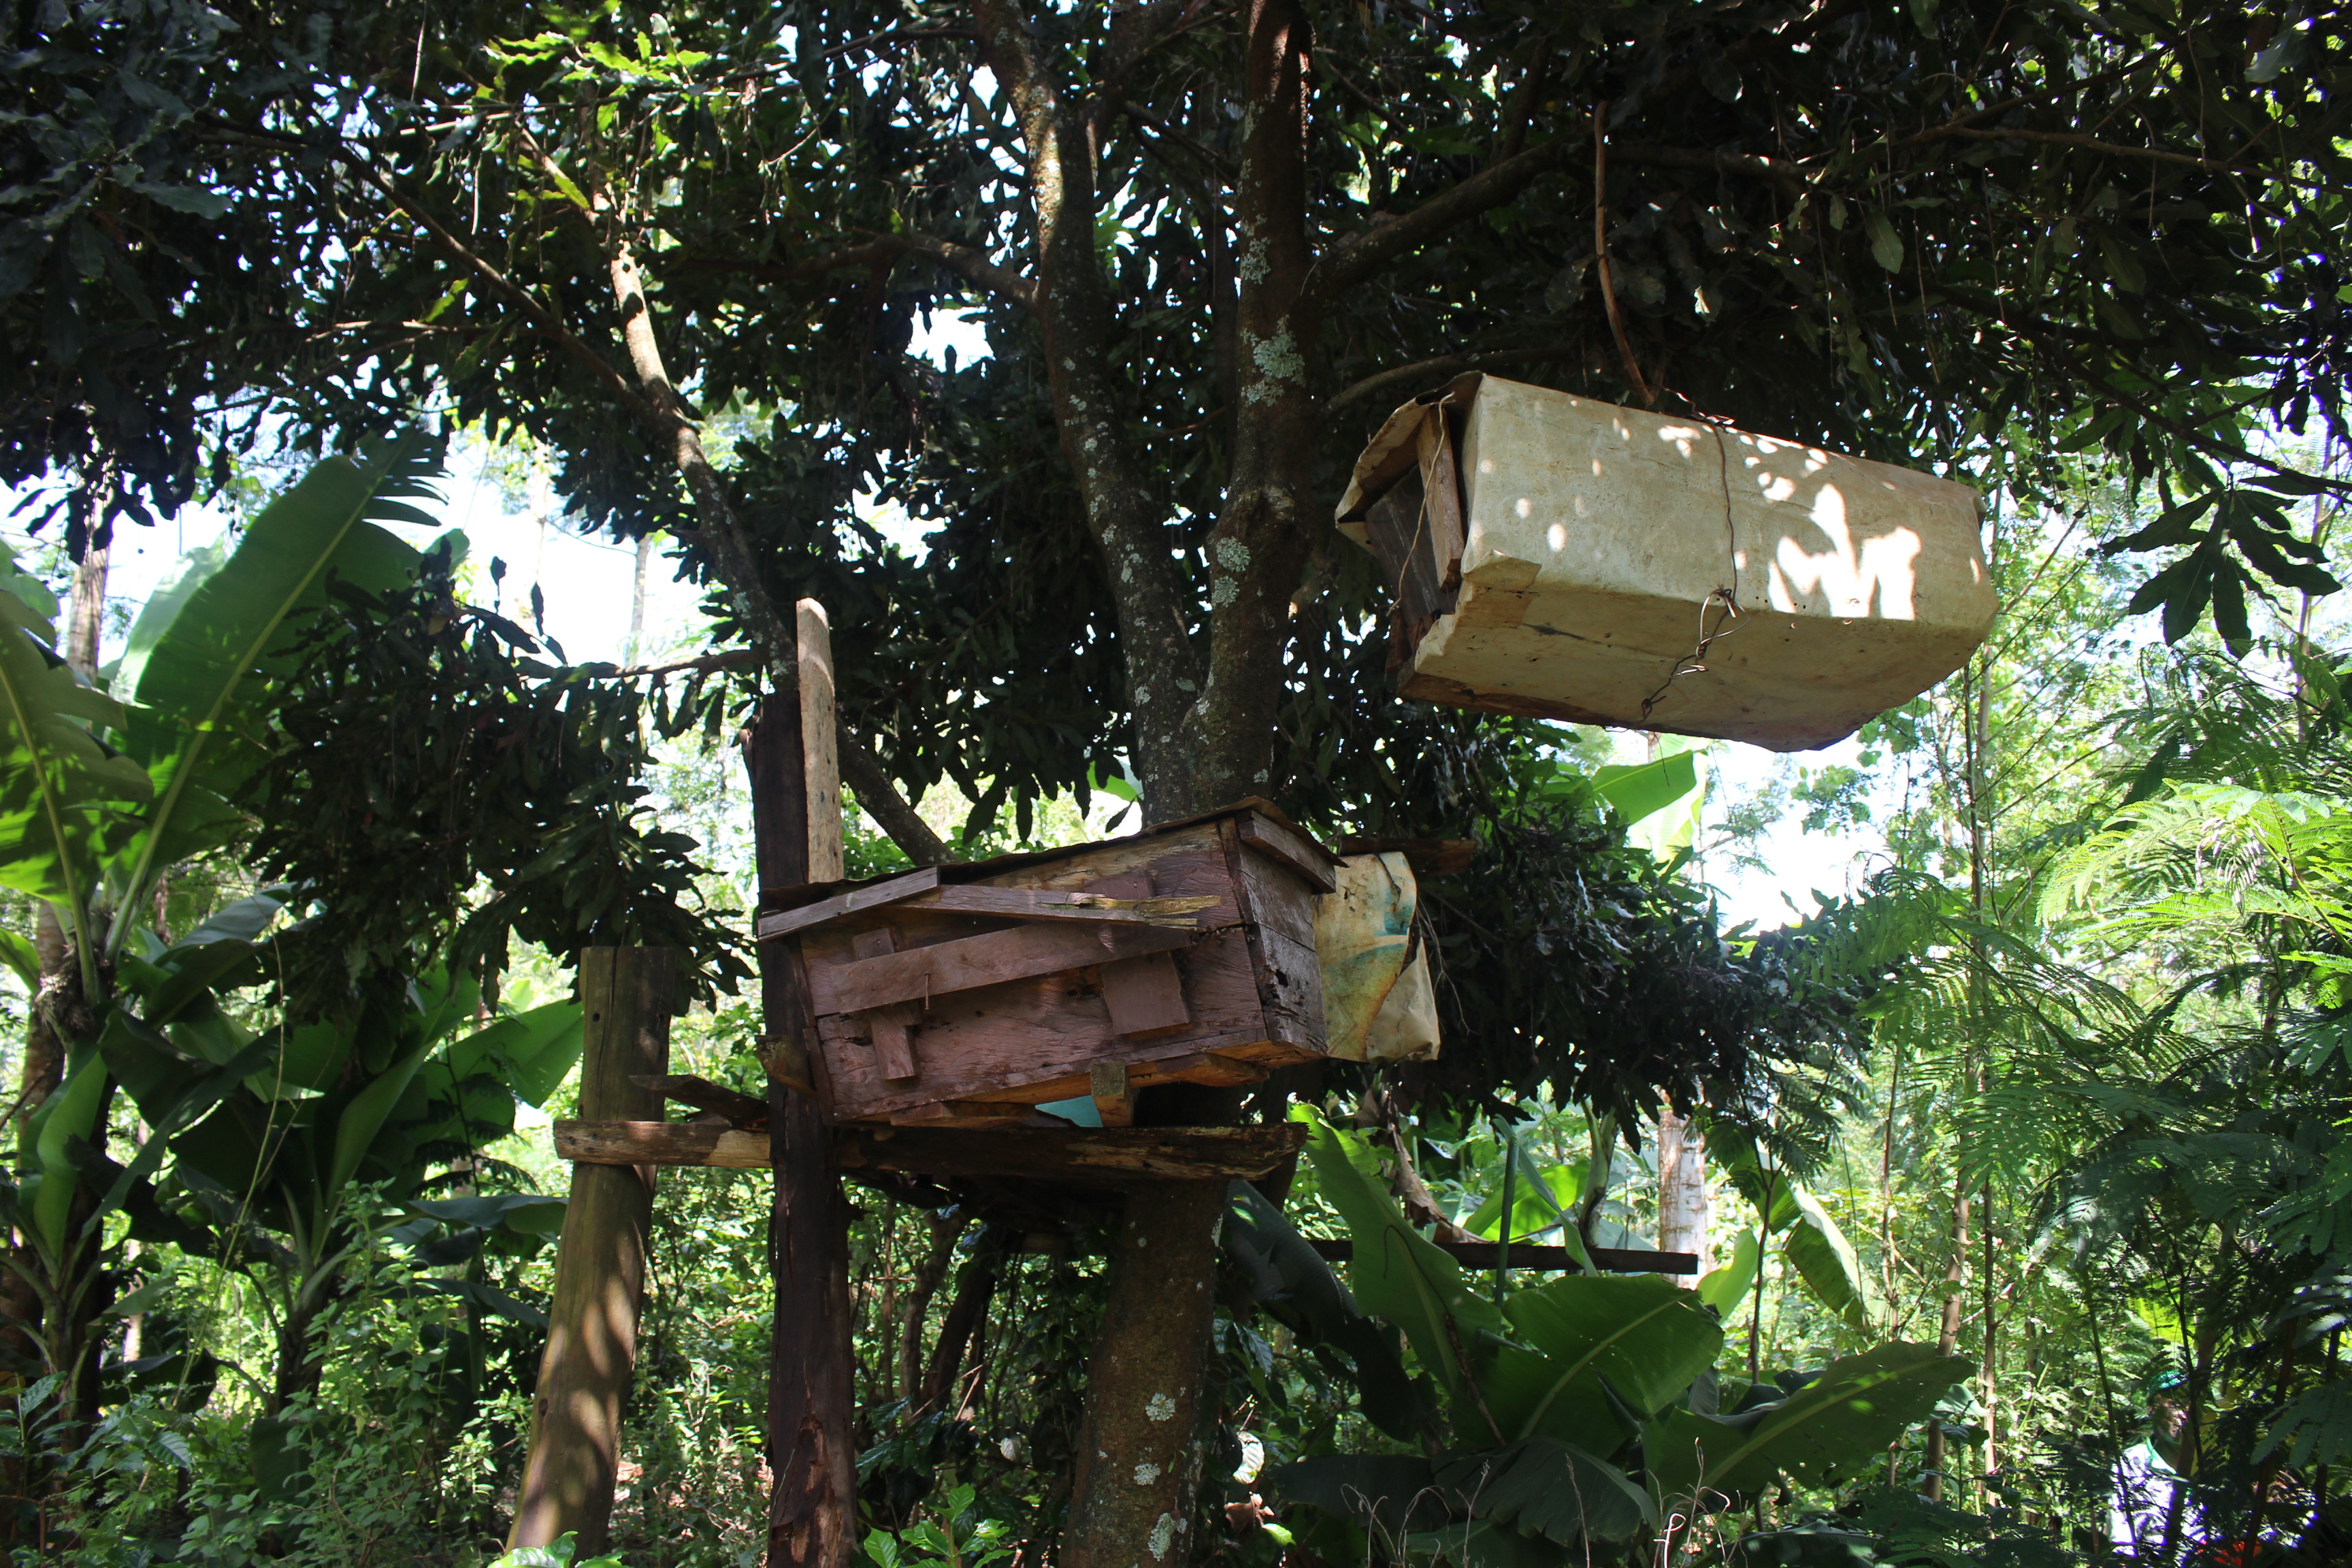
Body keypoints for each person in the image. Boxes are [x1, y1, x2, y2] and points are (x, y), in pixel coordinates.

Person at [2112, 1370, 2201, 1562]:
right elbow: (2122, 1540)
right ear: (2152, 1407)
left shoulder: (2209, 1463)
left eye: (2191, 1406)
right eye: (2176, 1405)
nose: (2184, 1415)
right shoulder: (2130, 1464)